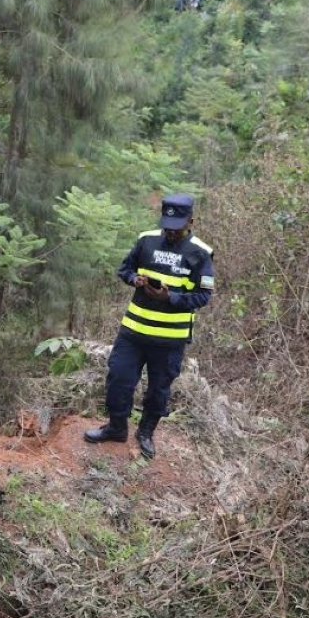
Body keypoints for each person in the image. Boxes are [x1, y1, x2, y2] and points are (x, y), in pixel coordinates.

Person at [84, 194, 215, 459]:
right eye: (167, 225)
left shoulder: (201, 253)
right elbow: (124, 269)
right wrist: (135, 279)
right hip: (133, 332)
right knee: (119, 378)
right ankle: (116, 427)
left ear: (191, 221)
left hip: (170, 340)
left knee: (158, 390)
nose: (171, 231)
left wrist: (171, 298)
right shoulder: (146, 240)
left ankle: (145, 433)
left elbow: (204, 296)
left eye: (177, 227)